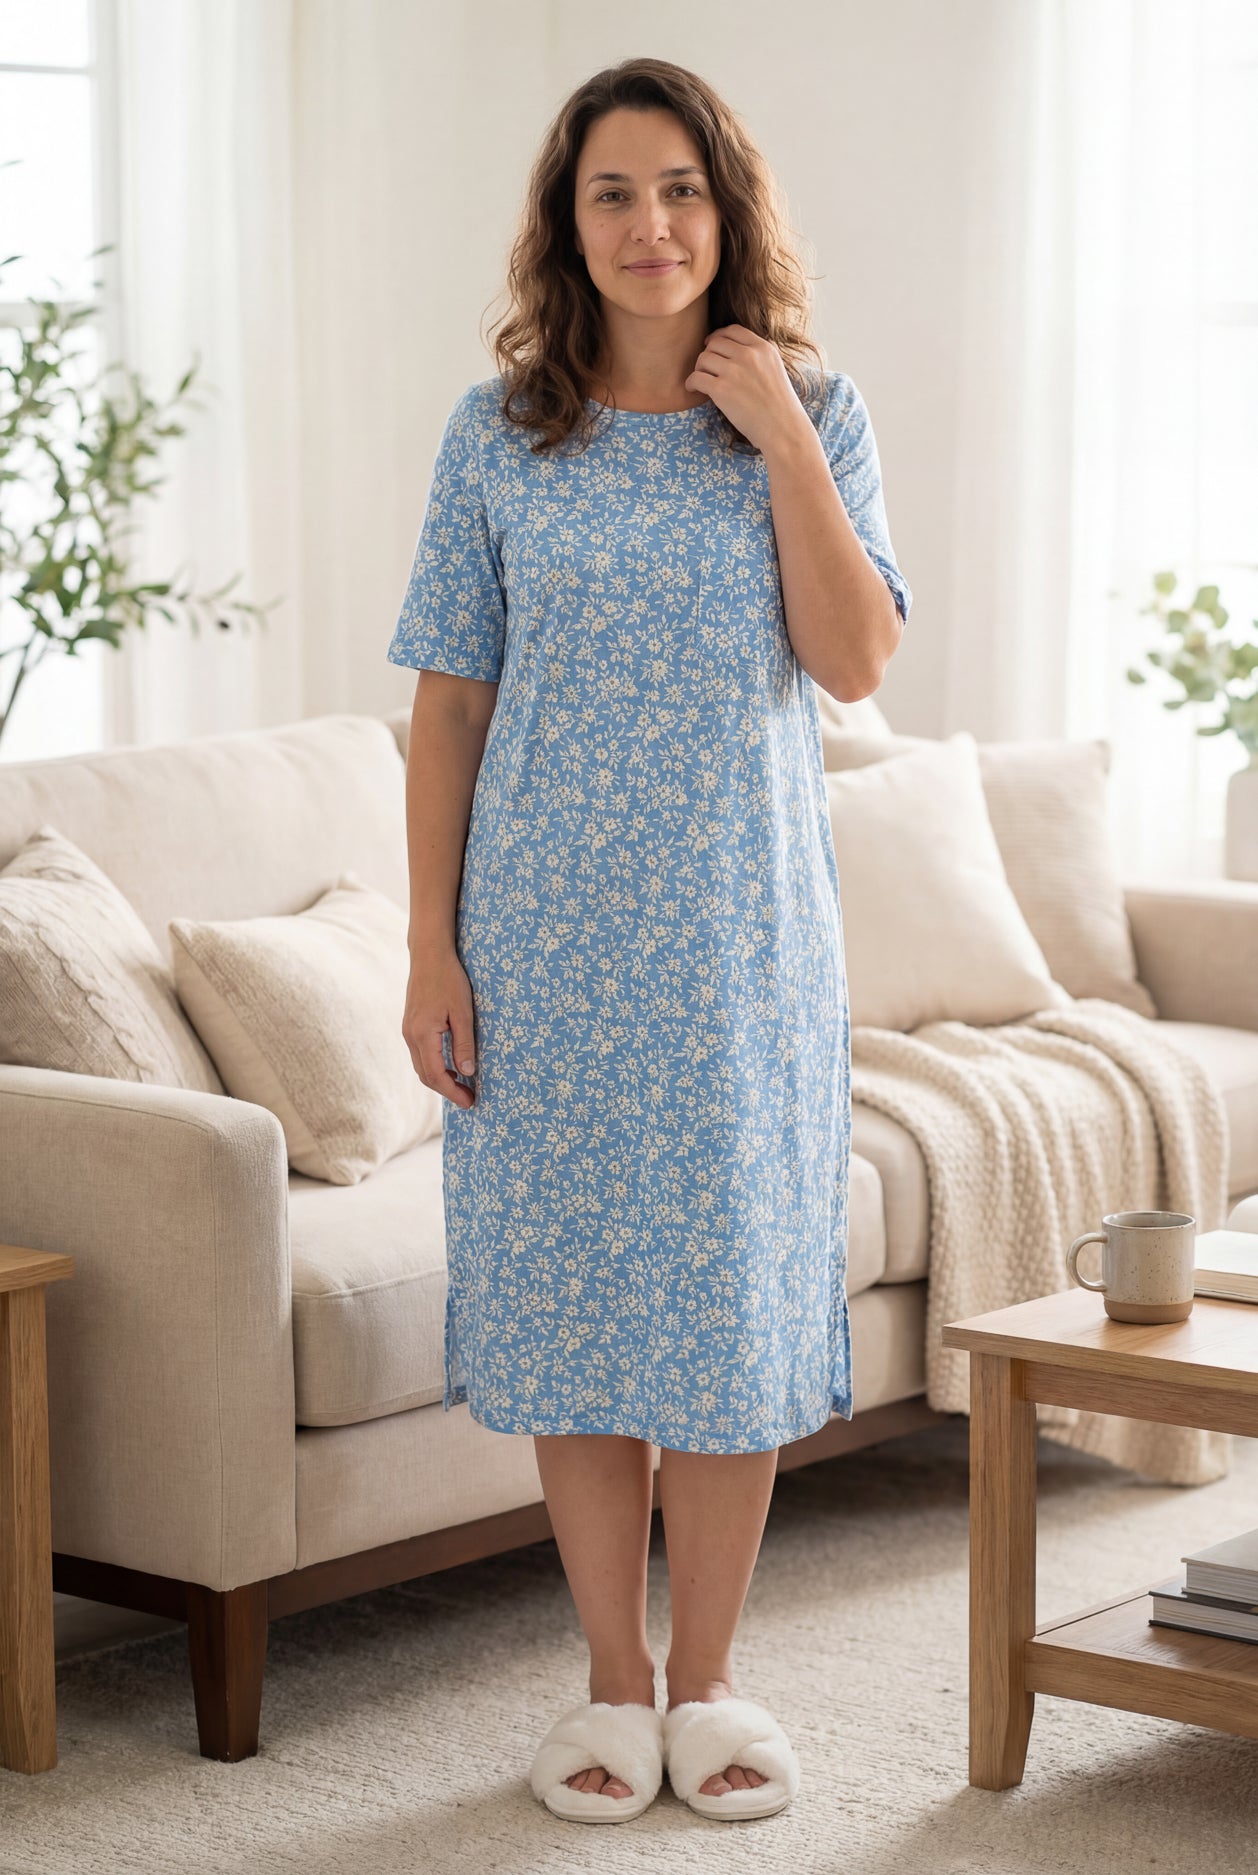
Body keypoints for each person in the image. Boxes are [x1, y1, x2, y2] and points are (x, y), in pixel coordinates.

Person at [389, 56, 911, 1826]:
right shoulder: (497, 432)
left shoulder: (813, 409)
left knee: (734, 1306)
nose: (649, 225)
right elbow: (448, 710)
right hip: (536, 943)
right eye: (612, 193)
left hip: (739, 949)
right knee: (578, 1308)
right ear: (567, 223)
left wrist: (774, 439)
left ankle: (713, 1686)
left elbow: (852, 663)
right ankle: (611, 1683)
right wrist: (428, 949)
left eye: (679, 188)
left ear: (726, 207)